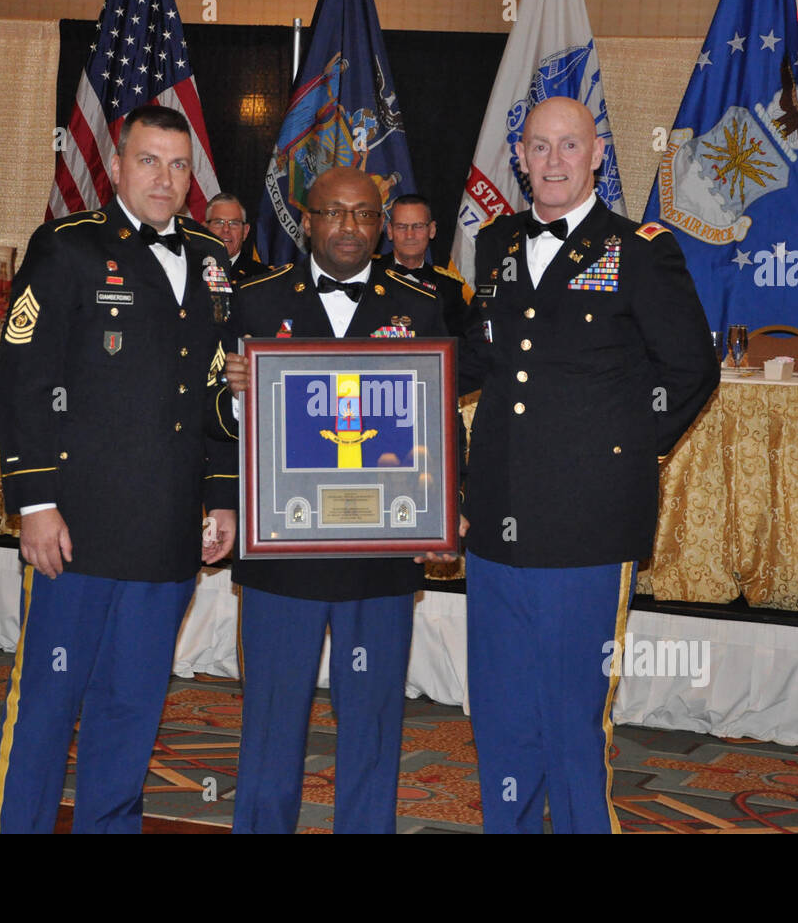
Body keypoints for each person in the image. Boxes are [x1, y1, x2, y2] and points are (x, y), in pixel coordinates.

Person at [459, 96, 719, 834]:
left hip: (588, 524)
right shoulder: (499, 242)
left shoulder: (639, 248)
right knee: (502, 711)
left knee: (573, 718)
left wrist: (625, 453)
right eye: (538, 147)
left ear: (597, 152)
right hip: (496, 515)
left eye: (568, 146)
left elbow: (692, 367)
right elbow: (478, 358)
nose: (552, 161)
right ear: (520, 156)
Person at [0, 104, 238, 834]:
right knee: (46, 707)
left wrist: (221, 497)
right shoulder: (66, 247)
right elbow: (21, 380)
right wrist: (34, 501)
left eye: (179, 164)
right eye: (149, 160)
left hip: (166, 531)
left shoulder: (212, 257)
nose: (164, 177)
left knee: (131, 711)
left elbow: (221, 386)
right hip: (77, 530)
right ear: (119, 166)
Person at [220, 167, 449, 833]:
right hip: (281, 554)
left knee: (375, 726)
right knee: (269, 726)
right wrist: (233, 390)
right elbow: (214, 424)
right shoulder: (254, 302)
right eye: (334, 213)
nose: (350, 227)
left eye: (364, 215)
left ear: (381, 226)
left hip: (380, 556)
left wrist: (437, 507)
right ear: (307, 220)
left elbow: (433, 430)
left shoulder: (422, 306)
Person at [377, 193, 471, 337]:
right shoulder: (370, 273)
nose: (410, 235)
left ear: (431, 230)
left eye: (418, 226)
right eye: (401, 227)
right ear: (390, 231)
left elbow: (458, 342)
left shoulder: (449, 287)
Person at [205, 192, 269, 284]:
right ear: (205, 229)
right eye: (219, 222)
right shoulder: (187, 271)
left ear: (245, 232)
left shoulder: (263, 277)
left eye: (234, 223)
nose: (226, 229)